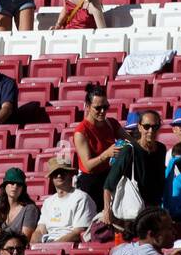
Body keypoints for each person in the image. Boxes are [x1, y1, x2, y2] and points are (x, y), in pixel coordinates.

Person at [104, 109, 167, 223]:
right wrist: (107, 211)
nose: (151, 130)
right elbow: (109, 184)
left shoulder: (161, 149)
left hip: (153, 209)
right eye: (146, 126)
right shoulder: (129, 150)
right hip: (133, 210)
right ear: (139, 127)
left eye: (155, 127)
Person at [70, 84, 123, 215]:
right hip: (90, 183)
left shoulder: (111, 123)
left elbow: (130, 140)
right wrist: (106, 154)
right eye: (97, 108)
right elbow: (88, 166)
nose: (102, 111)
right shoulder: (81, 132)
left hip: (108, 177)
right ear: (87, 107)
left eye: (105, 107)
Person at [38, 156, 95, 243]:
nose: (59, 175)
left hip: (68, 247)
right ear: (51, 177)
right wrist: (32, 245)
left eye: (63, 172)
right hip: (48, 245)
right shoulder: (48, 202)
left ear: (70, 174)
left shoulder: (81, 198)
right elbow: (40, 230)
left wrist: (53, 246)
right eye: (55, 172)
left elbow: (78, 232)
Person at [0, 169, 40, 242]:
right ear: (5, 186)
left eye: (19, 184)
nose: (15, 186)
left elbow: (25, 238)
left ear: (23, 189)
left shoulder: (29, 209)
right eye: (12, 183)